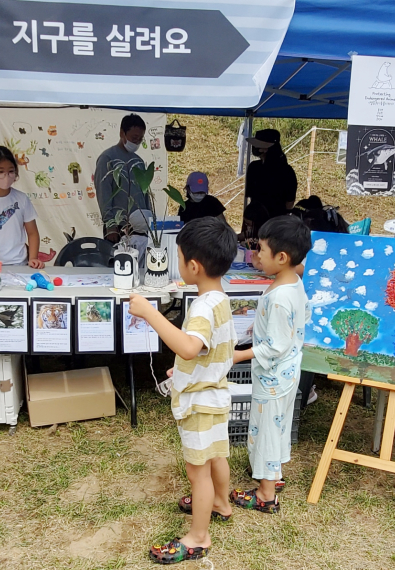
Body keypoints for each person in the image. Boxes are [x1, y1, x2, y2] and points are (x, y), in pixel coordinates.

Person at [128, 217, 238, 564]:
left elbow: (190, 346)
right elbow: (212, 350)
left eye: (178, 258)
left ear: (193, 266)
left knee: (197, 470)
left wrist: (150, 312)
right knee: (216, 455)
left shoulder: (203, 307)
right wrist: (188, 369)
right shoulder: (220, 299)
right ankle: (221, 502)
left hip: (200, 403)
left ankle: (198, 536)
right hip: (215, 393)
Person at [230, 216, 311, 514]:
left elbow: (275, 345)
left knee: (266, 430)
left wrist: (239, 354)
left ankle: (265, 495)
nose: (255, 254)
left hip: (273, 378)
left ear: (281, 257)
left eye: (260, 249)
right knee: (278, 426)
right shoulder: (293, 281)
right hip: (288, 373)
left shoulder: (278, 297)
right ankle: (274, 475)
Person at [95, 114, 151, 242]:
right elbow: (104, 193)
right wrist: (110, 225)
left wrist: (149, 221)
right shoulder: (107, 159)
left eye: (140, 139)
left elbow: (145, 196)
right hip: (119, 227)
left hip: (141, 227)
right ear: (122, 133)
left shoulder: (139, 162)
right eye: (134, 138)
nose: (136, 142)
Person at [245, 129, 297, 219]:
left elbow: (289, 200)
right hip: (261, 217)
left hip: (272, 219)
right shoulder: (254, 167)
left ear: (267, 148)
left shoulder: (286, 171)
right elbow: (290, 202)